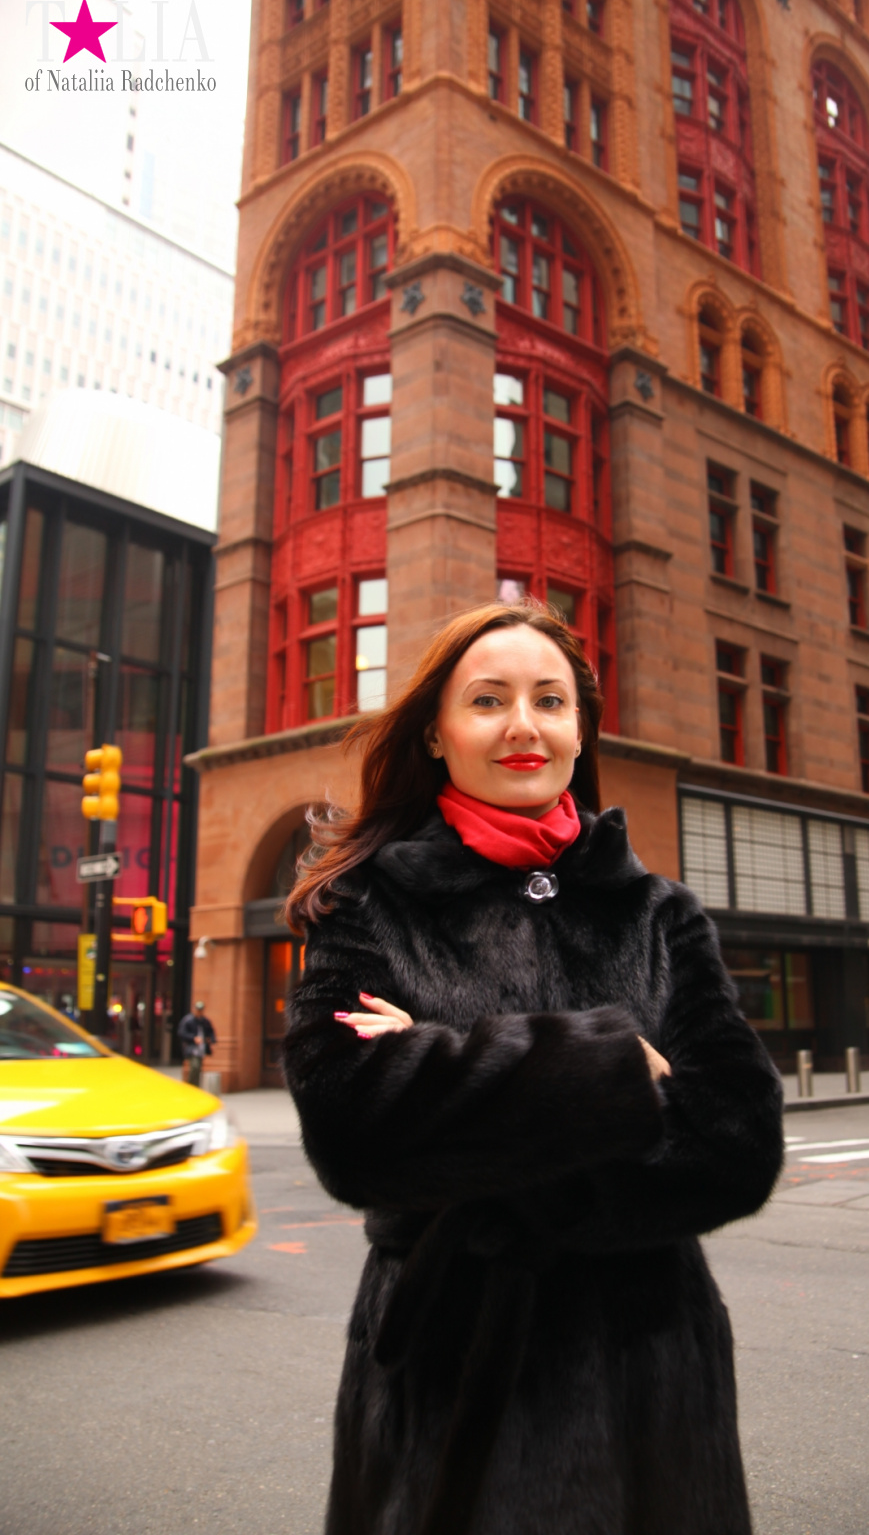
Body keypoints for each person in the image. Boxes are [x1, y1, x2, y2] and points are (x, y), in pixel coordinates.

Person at [283, 601, 784, 1535]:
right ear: (437, 731)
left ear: (580, 727)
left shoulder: (657, 913)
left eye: (550, 700)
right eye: (489, 700)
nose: (523, 725)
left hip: (653, 1376)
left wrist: (447, 1077)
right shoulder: (371, 904)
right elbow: (350, 1124)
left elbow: (739, 1139)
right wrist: (612, 1068)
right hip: (451, 1377)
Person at [177, 999, 215, 1087]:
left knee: (198, 1068)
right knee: (195, 1066)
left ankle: (195, 1087)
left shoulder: (205, 1021)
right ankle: (191, 1087)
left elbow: (211, 1032)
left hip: (201, 1048)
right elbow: (181, 1033)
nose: (199, 1011)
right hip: (191, 1048)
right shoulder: (188, 1020)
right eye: (198, 1009)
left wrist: (211, 1040)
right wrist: (193, 1038)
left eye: (201, 1010)